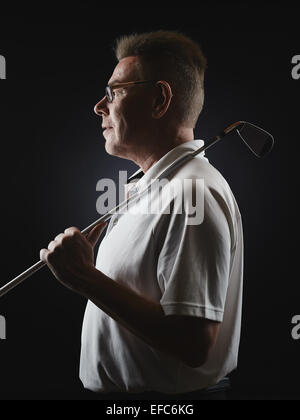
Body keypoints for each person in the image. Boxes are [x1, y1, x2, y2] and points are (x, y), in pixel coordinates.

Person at [40, 31, 243, 400]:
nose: (100, 106)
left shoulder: (193, 192)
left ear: (159, 99)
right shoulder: (153, 189)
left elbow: (193, 344)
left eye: (114, 92)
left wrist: (84, 278)